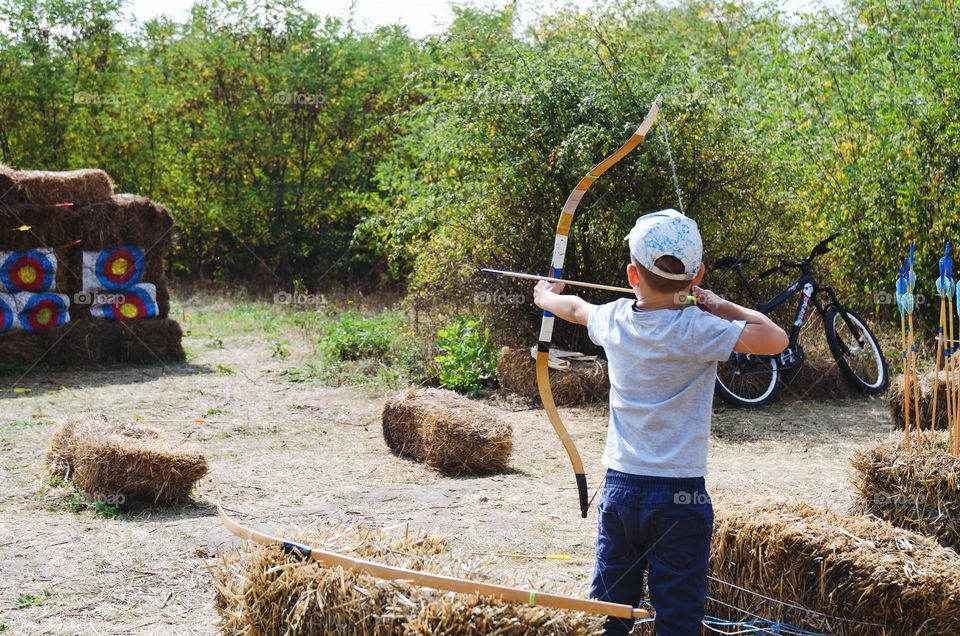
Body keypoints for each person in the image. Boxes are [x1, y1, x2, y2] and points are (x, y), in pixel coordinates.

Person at [533, 209, 788, 635]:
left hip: (621, 490)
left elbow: (575, 308)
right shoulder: (700, 328)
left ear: (633, 275)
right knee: (678, 617)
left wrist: (545, 297)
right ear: (698, 274)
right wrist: (720, 305)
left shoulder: (614, 318)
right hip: (680, 497)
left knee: (610, 610)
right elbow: (774, 337)